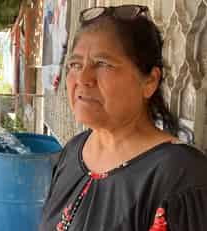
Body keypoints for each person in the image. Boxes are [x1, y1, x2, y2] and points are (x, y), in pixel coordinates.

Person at [39, 5, 207, 231]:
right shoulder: (73, 151)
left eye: (103, 64)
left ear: (149, 82)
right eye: (75, 64)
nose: (83, 78)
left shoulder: (181, 177)